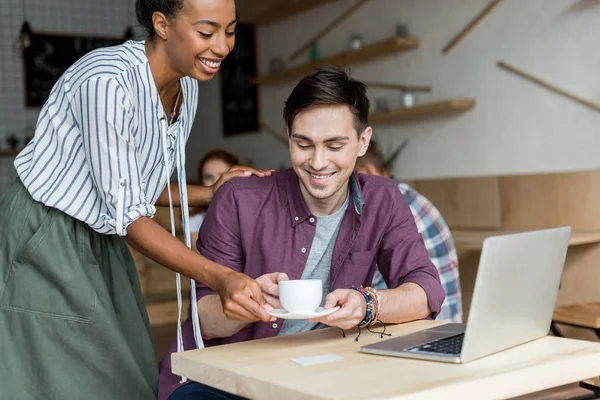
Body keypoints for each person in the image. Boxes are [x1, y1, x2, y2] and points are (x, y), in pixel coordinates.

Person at [0, 1, 276, 399]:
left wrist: (208, 194)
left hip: (102, 234)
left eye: (230, 31)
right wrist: (220, 277)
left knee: (128, 367)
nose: (222, 46)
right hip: (47, 231)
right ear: (162, 25)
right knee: (66, 377)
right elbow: (129, 216)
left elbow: (135, 183)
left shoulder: (188, 87)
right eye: (206, 31)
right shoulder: (107, 81)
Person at [158, 65, 445, 400]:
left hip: (322, 373)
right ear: (288, 135)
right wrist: (246, 303)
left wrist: (369, 304)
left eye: (335, 145)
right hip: (222, 380)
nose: (318, 162)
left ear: (363, 141)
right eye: (304, 144)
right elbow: (203, 319)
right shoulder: (238, 198)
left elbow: (426, 291)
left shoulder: (383, 199)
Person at [355, 141, 463, 323]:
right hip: (450, 325)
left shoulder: (390, 209)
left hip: (421, 330)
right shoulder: (412, 197)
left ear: (369, 171)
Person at [189, 149, 240, 233]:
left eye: (222, 175)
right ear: (201, 181)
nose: (216, 182)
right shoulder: (195, 220)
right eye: (208, 177)